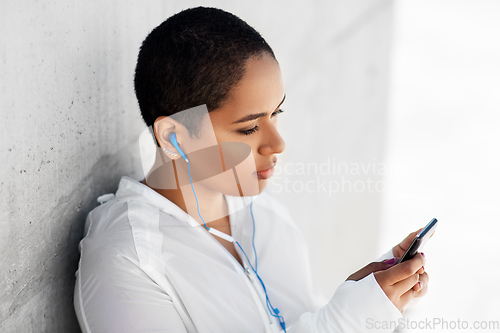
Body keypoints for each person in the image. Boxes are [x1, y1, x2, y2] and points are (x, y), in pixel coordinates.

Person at [74, 6, 429, 333]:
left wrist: (372, 300)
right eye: (248, 128)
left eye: (276, 114)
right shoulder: (129, 259)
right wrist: (347, 321)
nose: (277, 144)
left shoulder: (263, 210)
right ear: (175, 136)